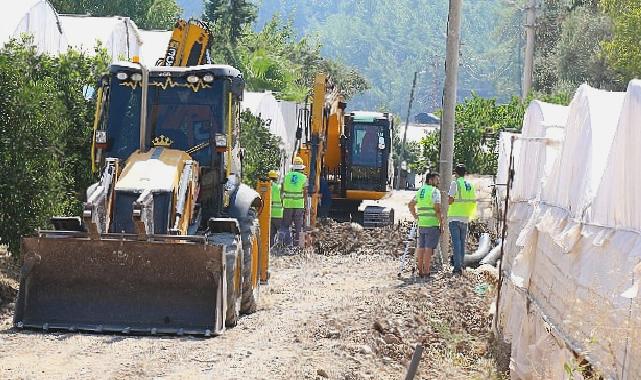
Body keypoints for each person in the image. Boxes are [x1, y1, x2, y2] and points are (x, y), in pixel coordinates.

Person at [408, 172, 443, 279]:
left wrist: (416, 216)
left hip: (422, 223)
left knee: (421, 247)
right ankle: (427, 272)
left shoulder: (420, 191)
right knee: (429, 249)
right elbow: (437, 209)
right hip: (432, 223)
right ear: (431, 180)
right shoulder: (435, 191)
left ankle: (420, 271)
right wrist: (442, 224)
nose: (438, 182)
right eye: (437, 179)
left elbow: (410, 204)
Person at [448, 163, 477, 275]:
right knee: (462, 243)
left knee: (456, 243)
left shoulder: (455, 183)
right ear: (465, 173)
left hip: (454, 217)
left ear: (455, 173)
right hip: (465, 217)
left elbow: (450, 200)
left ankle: (457, 268)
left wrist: (447, 199)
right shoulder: (470, 185)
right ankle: (461, 266)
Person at [279, 156, 308, 247]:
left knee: (285, 225)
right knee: (299, 227)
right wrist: (306, 206)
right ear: (301, 168)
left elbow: (282, 190)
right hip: (299, 205)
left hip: (287, 204)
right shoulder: (304, 178)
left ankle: (283, 244)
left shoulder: (286, 176)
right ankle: (299, 246)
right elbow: (305, 193)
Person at [268, 170, 283, 246]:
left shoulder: (266, 186)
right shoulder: (278, 187)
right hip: (279, 214)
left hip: (269, 214)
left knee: (271, 234)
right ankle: (280, 248)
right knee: (281, 232)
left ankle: (270, 248)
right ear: (276, 178)